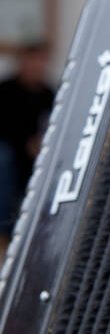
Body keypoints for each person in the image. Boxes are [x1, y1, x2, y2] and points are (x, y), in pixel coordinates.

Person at [0, 41, 54, 240]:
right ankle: (5, 229)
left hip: (38, 151)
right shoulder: (5, 90)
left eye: (41, 61)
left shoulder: (48, 93)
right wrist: (25, 144)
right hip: (11, 151)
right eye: (33, 61)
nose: (37, 66)